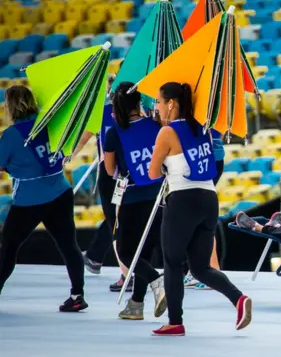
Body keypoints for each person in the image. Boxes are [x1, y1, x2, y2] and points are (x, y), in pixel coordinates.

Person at [148, 82, 251, 336]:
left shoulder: (167, 133)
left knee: (172, 262)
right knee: (200, 267)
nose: (157, 107)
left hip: (182, 199)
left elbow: (151, 172)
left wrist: (163, 161)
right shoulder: (202, 128)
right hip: (208, 198)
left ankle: (175, 321)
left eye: (159, 102)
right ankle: (238, 298)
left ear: (171, 103)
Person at [0, 85, 87, 312]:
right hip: (60, 192)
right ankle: (77, 295)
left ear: (9, 106)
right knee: (69, 246)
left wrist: (13, 166)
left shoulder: (11, 135)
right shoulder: (50, 124)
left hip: (29, 200)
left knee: (8, 248)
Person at [104, 81, 166, 320]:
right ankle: (136, 305)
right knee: (144, 252)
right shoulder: (155, 124)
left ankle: (155, 280)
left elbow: (110, 171)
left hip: (132, 198)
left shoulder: (114, 132)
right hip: (158, 195)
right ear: (138, 102)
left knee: (126, 252)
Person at [72, 74, 133, 293]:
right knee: (119, 220)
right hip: (127, 172)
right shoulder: (133, 112)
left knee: (116, 221)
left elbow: (81, 139)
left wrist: (67, 157)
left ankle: (125, 273)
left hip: (112, 173)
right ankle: (115, 266)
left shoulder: (103, 113)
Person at [183, 128, 224, 289]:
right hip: (207, 156)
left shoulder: (197, 108)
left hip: (202, 157)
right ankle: (199, 269)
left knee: (195, 217)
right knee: (192, 217)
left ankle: (210, 268)